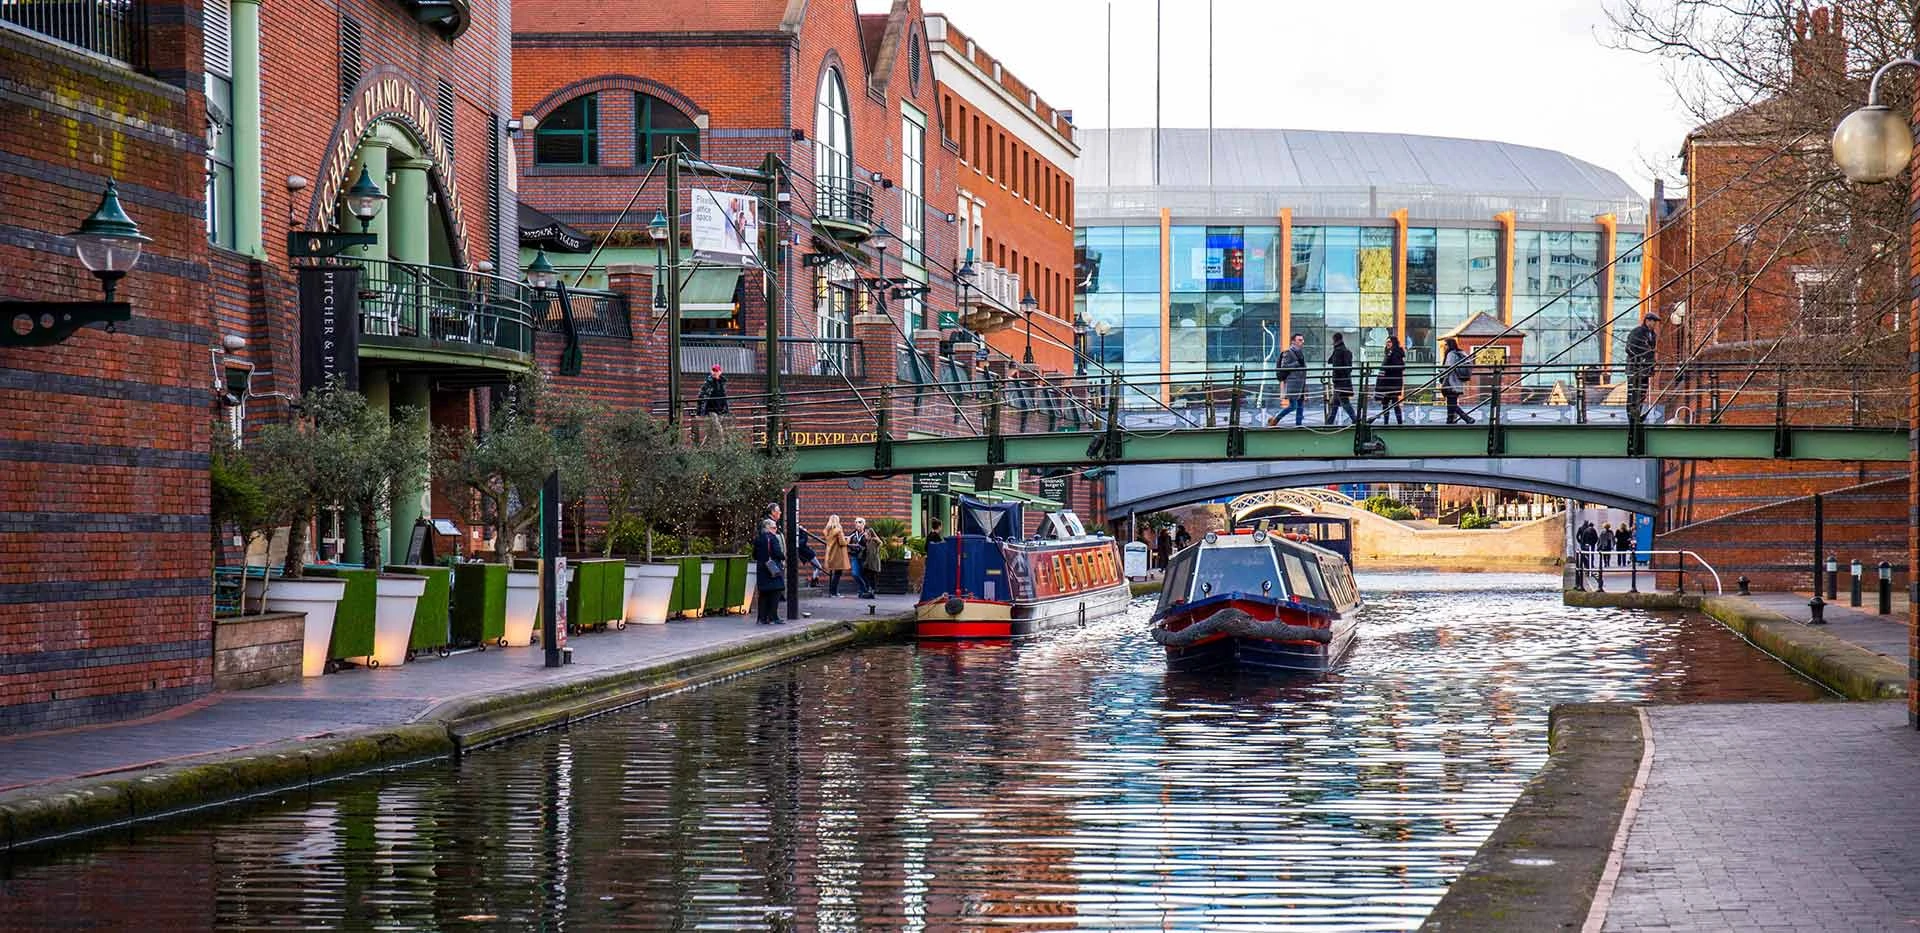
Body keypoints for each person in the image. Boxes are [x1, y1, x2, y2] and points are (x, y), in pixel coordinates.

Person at [1624, 311, 1660, 418]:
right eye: (1653, 322)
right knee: (1633, 394)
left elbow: (1651, 352)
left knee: (1642, 394)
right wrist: (1641, 359)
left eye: (1655, 322)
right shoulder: (1637, 332)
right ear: (1647, 321)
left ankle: (1637, 414)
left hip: (1645, 370)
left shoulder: (1653, 335)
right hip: (1635, 368)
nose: (1654, 324)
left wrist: (1651, 366)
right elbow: (1629, 348)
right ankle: (1631, 416)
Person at [752, 518, 785, 624]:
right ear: (768, 528)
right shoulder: (773, 538)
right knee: (775, 592)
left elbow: (755, 555)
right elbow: (777, 553)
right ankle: (773, 617)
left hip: (762, 569)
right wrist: (782, 557)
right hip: (772, 569)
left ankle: (762, 618)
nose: (776, 530)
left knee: (763, 594)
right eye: (774, 527)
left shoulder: (758, 539)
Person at [1270, 334, 1308, 426]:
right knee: (1293, 406)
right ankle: (1276, 419)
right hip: (1293, 384)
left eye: (1302, 340)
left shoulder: (1300, 352)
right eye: (1299, 340)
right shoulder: (1288, 352)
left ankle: (1299, 425)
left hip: (1300, 383)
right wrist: (1296, 364)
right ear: (1293, 341)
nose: (1302, 342)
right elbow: (1284, 367)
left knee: (1300, 405)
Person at [1325, 333, 1359, 425]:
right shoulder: (1345, 351)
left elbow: (1333, 363)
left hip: (1339, 381)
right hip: (1345, 380)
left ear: (1334, 340)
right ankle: (1330, 421)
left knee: (1344, 401)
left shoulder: (1338, 351)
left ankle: (1355, 419)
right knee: (1336, 402)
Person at [1441, 337, 1475, 424]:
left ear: (1448, 345)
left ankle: (1467, 418)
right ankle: (1450, 420)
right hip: (1458, 381)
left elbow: (1448, 367)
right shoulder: (1462, 353)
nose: (1443, 347)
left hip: (1450, 382)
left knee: (1452, 403)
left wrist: (1441, 374)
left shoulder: (1451, 354)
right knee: (1451, 402)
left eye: (1444, 344)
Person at [1376, 334, 1407, 425]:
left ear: (1393, 343)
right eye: (1386, 342)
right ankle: (1392, 422)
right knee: (1387, 402)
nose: (1387, 344)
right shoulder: (1390, 353)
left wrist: (1386, 370)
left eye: (1389, 342)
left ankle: (1397, 422)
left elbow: (1397, 367)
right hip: (1389, 382)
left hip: (1391, 382)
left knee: (1393, 402)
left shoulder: (1395, 353)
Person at [696, 364, 729, 432]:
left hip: (720, 409)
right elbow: (701, 396)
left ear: (720, 372)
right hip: (711, 409)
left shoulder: (722, 382)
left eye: (716, 371)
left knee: (711, 432)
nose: (714, 372)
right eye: (713, 370)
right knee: (718, 430)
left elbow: (724, 396)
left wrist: (726, 408)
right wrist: (699, 411)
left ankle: (703, 443)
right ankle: (722, 442)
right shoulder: (708, 383)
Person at [823, 515, 850, 597]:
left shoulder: (827, 531)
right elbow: (842, 543)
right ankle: (834, 592)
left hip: (831, 554)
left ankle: (832, 592)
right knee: (838, 574)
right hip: (838, 555)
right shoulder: (838, 530)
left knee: (834, 574)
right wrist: (848, 540)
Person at [855, 517, 881, 599]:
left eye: (866, 534)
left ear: (869, 535)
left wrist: (874, 537)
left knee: (872, 578)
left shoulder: (873, 541)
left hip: (873, 564)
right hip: (869, 564)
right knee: (868, 577)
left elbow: (878, 545)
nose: (865, 536)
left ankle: (872, 592)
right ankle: (870, 591)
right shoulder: (868, 542)